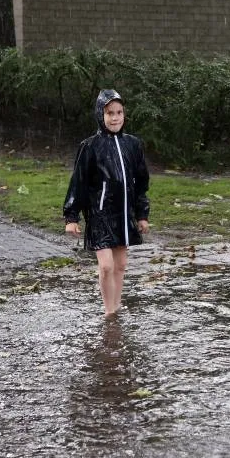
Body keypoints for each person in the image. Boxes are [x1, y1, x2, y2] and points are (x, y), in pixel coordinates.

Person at [63, 89, 151, 316]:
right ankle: (109, 311)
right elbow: (78, 182)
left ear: (124, 114)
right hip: (100, 214)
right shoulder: (90, 146)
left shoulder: (133, 144)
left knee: (120, 265)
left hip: (124, 214)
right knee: (106, 266)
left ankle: (117, 305)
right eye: (110, 113)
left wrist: (142, 214)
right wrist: (72, 216)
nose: (115, 117)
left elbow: (141, 182)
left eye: (119, 112)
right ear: (100, 115)